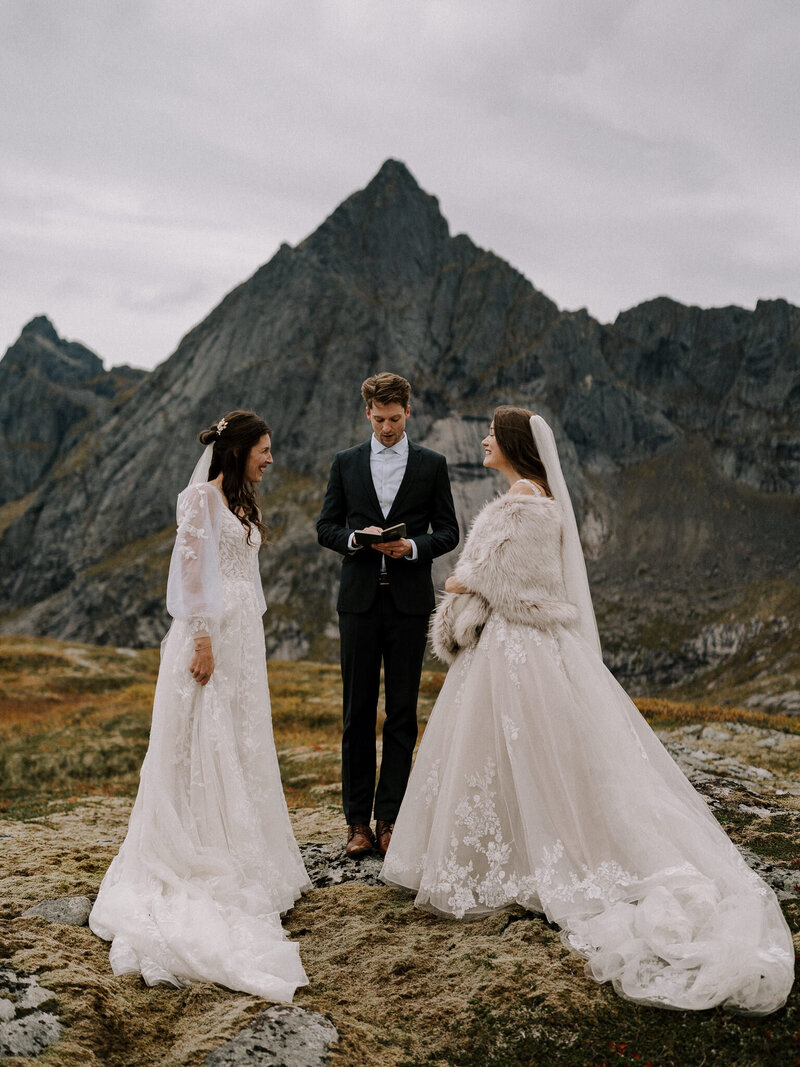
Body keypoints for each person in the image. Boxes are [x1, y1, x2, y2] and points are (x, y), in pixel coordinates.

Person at [381, 406, 794, 1014]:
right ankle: (524, 847)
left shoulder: (520, 504)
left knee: (501, 749)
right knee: (540, 754)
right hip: (534, 647)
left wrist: (463, 586)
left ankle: (506, 858)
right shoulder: (542, 501)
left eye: (494, 434)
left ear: (516, 445)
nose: (485, 440)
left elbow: (495, 584)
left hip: (512, 647)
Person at [90, 411, 310, 1002]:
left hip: (242, 639)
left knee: (238, 739)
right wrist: (205, 638)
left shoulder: (239, 503)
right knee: (202, 740)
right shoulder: (200, 500)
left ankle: (248, 849)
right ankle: (201, 846)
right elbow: (189, 576)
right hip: (210, 637)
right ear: (237, 450)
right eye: (263, 449)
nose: (269, 458)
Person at [317, 373, 459, 858]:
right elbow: (326, 527)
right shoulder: (345, 463)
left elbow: (448, 532)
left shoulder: (431, 465)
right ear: (367, 414)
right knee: (357, 713)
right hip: (358, 602)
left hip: (408, 605)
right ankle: (356, 823)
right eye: (379, 420)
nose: (387, 429)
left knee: (401, 714)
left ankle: (390, 819)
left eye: (395, 420)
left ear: (408, 413)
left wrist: (413, 546)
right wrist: (357, 539)